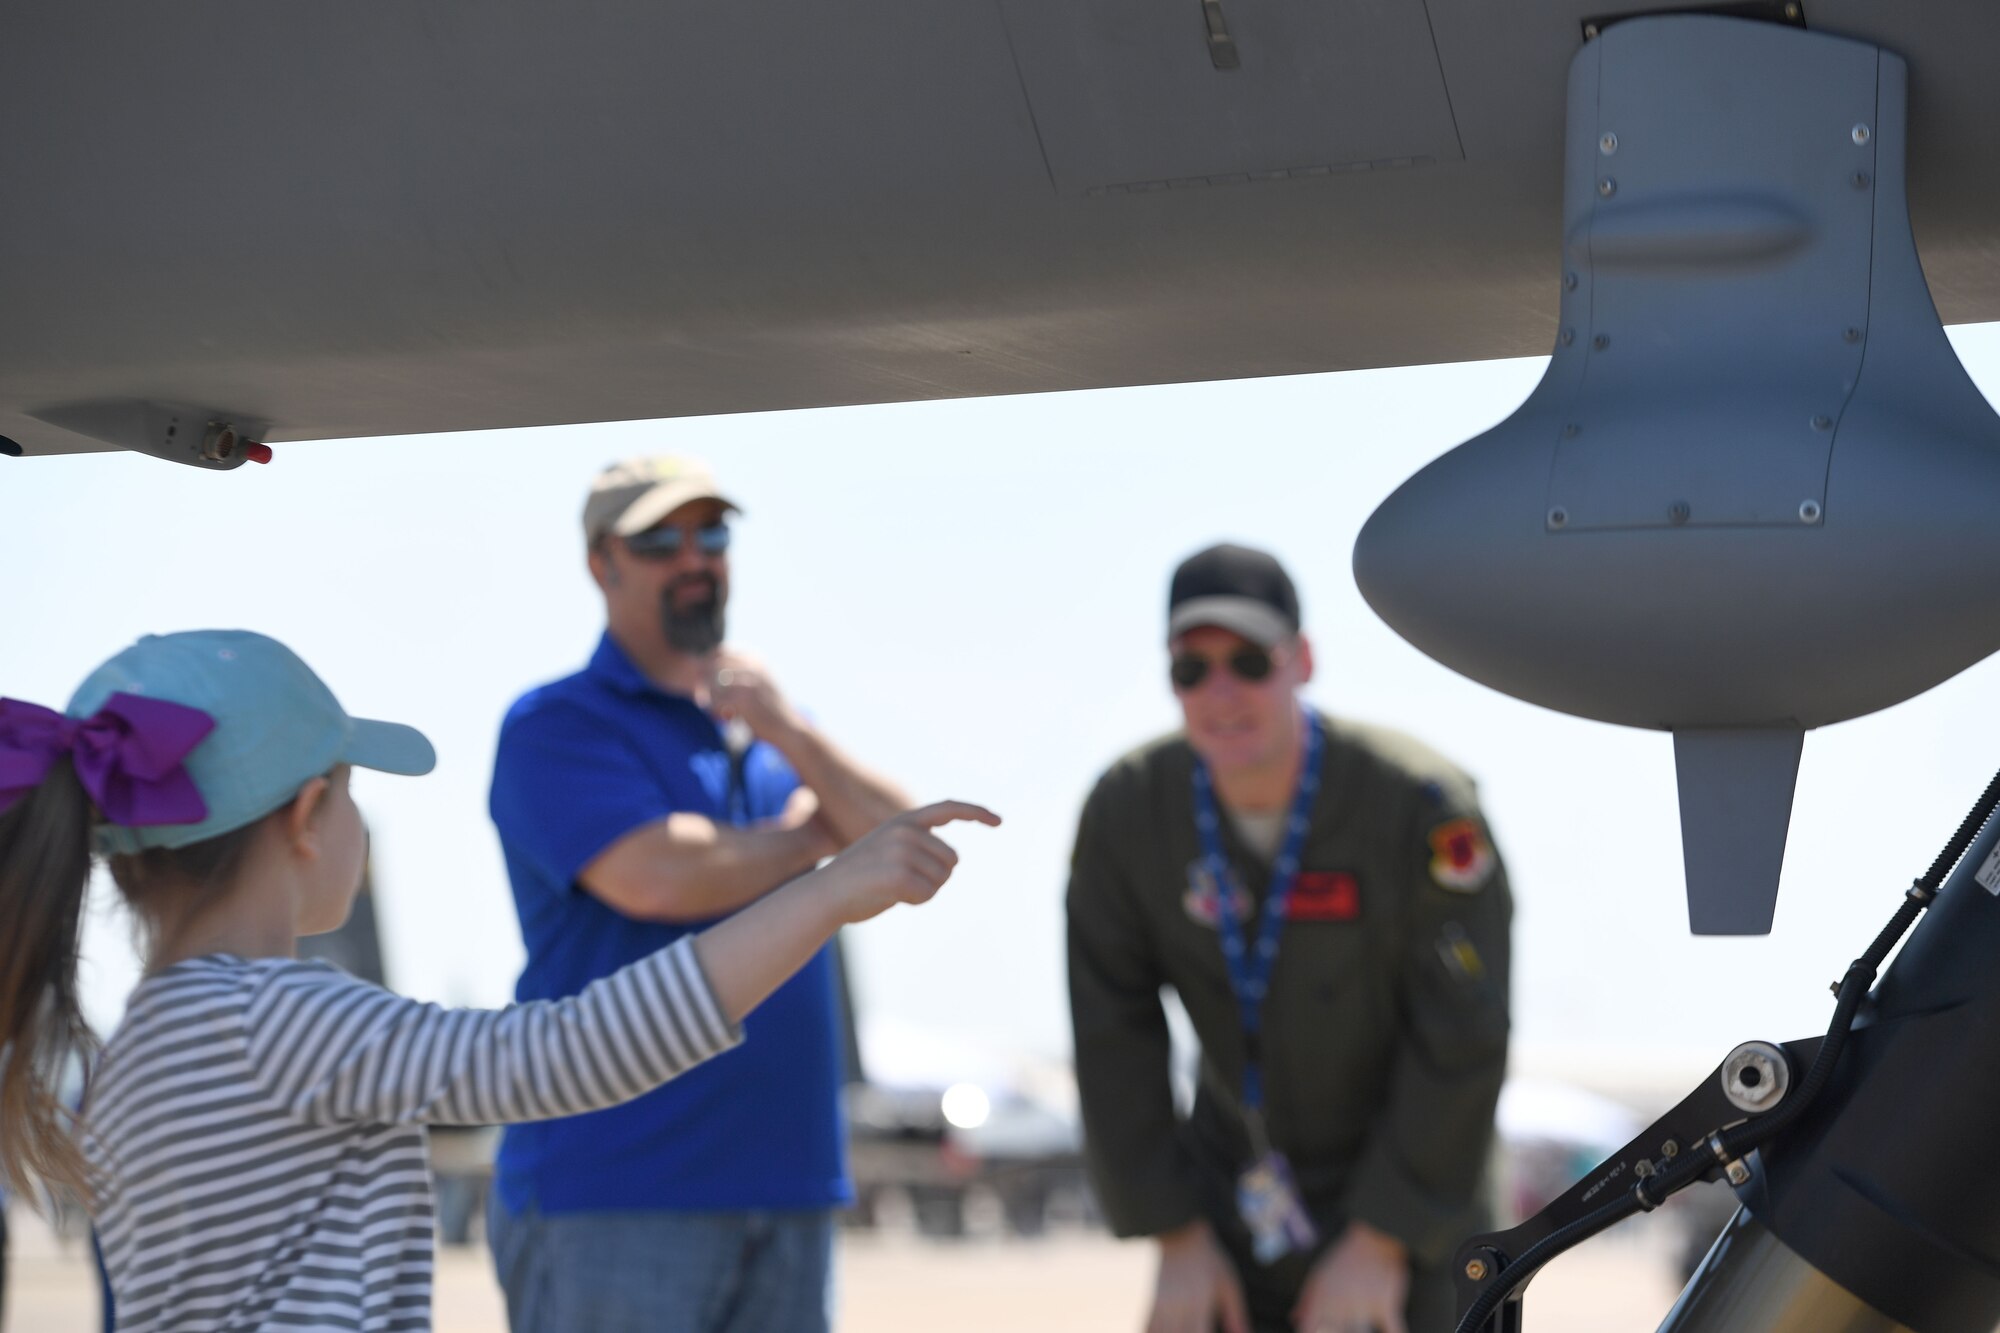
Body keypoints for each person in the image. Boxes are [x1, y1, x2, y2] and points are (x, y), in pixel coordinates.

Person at [0, 629, 996, 1333]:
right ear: (307, 818)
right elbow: (560, 1053)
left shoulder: (141, 1046)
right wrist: (823, 894)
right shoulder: (277, 1020)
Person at [486, 455, 915, 1333]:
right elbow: (657, 874)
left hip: (788, 1184)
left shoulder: (770, 735)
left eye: (711, 535)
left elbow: (907, 846)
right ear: (601, 562)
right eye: (659, 541)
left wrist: (787, 727)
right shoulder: (556, 724)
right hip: (616, 1189)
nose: (695, 559)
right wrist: (812, 843)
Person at [1066, 544, 1513, 1333]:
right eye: (1191, 669)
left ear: (1301, 659)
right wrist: (1175, 1230)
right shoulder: (1129, 813)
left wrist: (1380, 1238)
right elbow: (1112, 1036)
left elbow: (1463, 1035)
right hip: (1233, 1211)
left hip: (1419, 1209)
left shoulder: (1420, 806)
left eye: (1247, 660)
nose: (1221, 692)